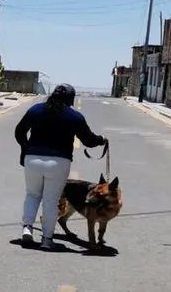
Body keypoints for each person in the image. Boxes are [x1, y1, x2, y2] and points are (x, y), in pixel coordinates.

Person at [15, 83, 107, 250]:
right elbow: (88, 140)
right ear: (70, 99)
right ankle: (46, 240)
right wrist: (101, 139)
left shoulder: (35, 110)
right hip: (58, 162)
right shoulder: (74, 117)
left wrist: (25, 147)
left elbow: (19, 131)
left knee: (32, 195)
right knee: (51, 200)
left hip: (32, 159)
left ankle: (27, 229)